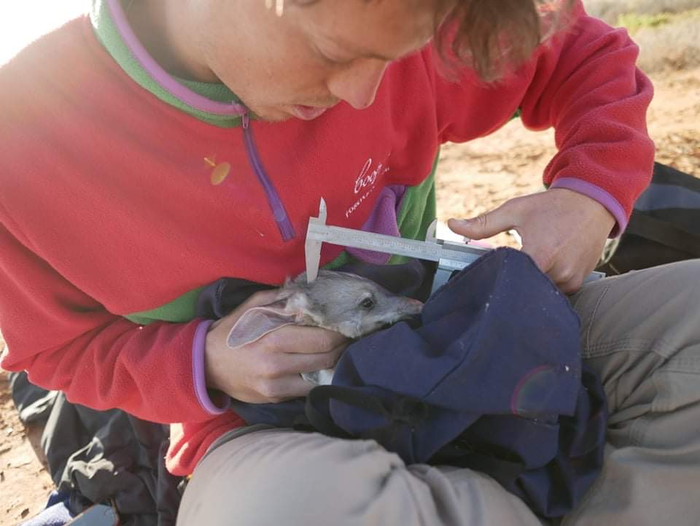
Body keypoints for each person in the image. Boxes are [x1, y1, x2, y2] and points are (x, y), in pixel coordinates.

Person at [0, 0, 697, 524]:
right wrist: (205, 359)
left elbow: (581, 52)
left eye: (395, 57)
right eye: (335, 54)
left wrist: (589, 195)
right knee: (278, 514)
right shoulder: (23, 141)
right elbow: (57, 349)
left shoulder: (396, 15)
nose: (366, 96)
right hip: (280, 436)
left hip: (466, 335)